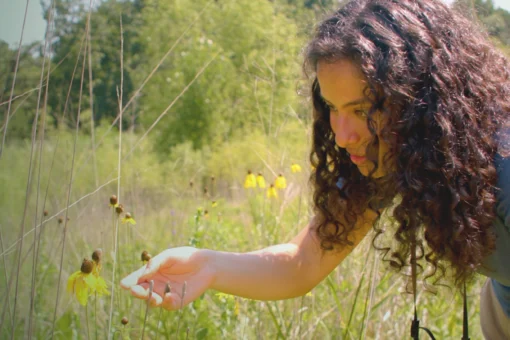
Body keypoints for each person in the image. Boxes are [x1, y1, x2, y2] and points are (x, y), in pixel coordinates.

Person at [121, 0, 510, 337]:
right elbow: (300, 264)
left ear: (423, 101)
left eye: (361, 110)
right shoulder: (393, 151)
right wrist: (207, 265)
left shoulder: (501, 164)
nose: (342, 137)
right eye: (333, 108)